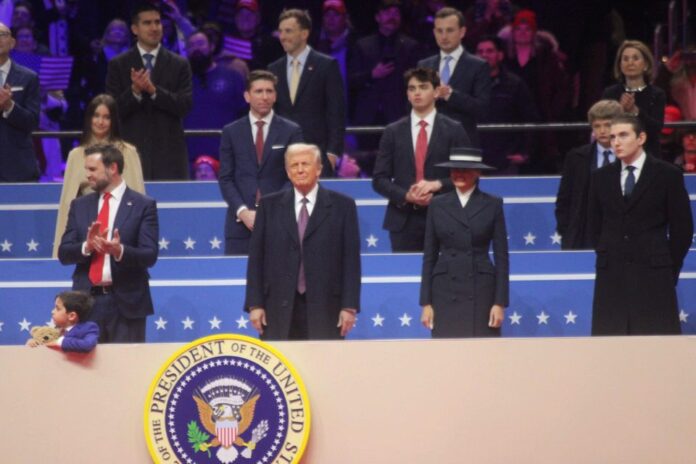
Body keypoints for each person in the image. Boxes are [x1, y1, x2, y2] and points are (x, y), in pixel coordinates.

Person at [588, 115, 693, 335]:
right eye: (613, 136)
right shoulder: (600, 177)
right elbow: (595, 225)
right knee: (611, 348)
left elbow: (682, 228)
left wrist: (666, 268)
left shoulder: (667, 174)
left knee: (656, 349)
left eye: (623, 135)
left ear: (641, 137)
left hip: (655, 275)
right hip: (612, 278)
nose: (616, 141)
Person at [245, 143, 361, 340]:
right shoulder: (268, 206)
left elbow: (351, 261)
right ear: (287, 171)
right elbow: (256, 259)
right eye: (294, 165)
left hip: (326, 306)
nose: (299, 170)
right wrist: (255, 305)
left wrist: (349, 306)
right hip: (277, 307)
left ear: (319, 169)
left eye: (305, 164)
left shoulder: (343, 206)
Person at [58, 143, 159, 343]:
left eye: (92, 169)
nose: (87, 175)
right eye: (86, 169)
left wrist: (119, 250)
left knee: (127, 371)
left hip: (127, 304)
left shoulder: (143, 205)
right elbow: (64, 253)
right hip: (86, 305)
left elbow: (149, 255)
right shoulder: (79, 205)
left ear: (112, 168)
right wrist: (86, 246)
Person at [372, 66, 470, 252]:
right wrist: (406, 196)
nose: (417, 93)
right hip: (403, 221)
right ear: (407, 95)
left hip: (446, 219)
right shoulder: (393, 132)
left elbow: (468, 176)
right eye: (412, 88)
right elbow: (379, 180)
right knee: (406, 278)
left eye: (423, 87)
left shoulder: (454, 130)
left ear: (436, 92)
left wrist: (437, 184)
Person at [420, 147, 508, 338]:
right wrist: (426, 303)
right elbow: (429, 256)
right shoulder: (437, 204)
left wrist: (499, 303)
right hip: (444, 290)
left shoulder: (492, 204)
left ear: (477, 172)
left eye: (465, 169)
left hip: (481, 290)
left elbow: (502, 258)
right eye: (455, 169)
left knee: (483, 357)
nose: (459, 174)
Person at [219, 70, 303, 255]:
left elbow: (296, 176)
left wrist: (268, 211)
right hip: (240, 225)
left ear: (275, 96)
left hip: (280, 221)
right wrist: (243, 212)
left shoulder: (291, 131)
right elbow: (226, 178)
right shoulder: (231, 132)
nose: (264, 97)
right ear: (247, 96)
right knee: (239, 281)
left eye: (269, 91)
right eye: (258, 91)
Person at [105, 3, 193, 180]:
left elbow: (184, 106)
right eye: (147, 23)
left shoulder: (179, 64)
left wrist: (154, 91)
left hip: (169, 158)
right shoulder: (118, 65)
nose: (154, 28)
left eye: (157, 22)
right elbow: (112, 111)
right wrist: (135, 91)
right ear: (135, 29)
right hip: (130, 155)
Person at [53, 94, 145, 258]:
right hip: (86, 232)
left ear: (113, 121)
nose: (100, 122)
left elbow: (139, 200)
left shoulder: (128, 153)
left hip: (121, 232)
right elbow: (67, 205)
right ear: (89, 118)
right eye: (96, 116)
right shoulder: (76, 155)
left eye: (106, 117)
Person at [268, 8, 345, 177]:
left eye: (288, 31)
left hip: (317, 154)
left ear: (304, 34)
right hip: (283, 157)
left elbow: (336, 112)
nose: (282, 37)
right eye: (280, 31)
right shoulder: (273, 69)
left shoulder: (326, 66)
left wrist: (333, 152)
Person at [348, 0, 420, 148]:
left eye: (396, 13)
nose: (392, 17)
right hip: (368, 117)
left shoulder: (410, 46)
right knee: (367, 163)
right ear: (377, 17)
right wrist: (372, 75)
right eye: (387, 13)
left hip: (398, 115)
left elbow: (417, 83)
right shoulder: (362, 45)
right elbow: (352, 80)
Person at [555, 99, 623, 250]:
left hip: (621, 234)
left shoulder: (630, 157)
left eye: (607, 125)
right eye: (597, 126)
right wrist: (566, 231)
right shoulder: (577, 158)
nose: (602, 131)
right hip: (583, 233)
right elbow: (564, 199)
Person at [418, 7, 491, 146]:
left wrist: (450, 94)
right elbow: (411, 106)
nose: (444, 36)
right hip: (429, 146)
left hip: (464, 144)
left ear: (462, 32)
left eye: (450, 30)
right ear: (434, 33)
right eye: (440, 31)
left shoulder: (478, 66)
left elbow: (482, 109)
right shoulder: (424, 65)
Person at [475, 35, 538, 173]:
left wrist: (524, 153)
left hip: (506, 160)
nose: (484, 55)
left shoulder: (515, 84)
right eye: (480, 52)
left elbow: (530, 119)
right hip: (474, 160)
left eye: (490, 51)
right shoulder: (466, 85)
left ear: (500, 55)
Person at [184, 30, 246, 165]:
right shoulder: (180, 81)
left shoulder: (232, 76)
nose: (196, 49)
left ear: (212, 47)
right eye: (191, 45)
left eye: (200, 43)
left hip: (226, 155)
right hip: (190, 157)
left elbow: (244, 115)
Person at [602, 40, 665, 160]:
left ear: (646, 64)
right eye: (625, 59)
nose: (630, 62)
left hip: (649, 156)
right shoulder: (610, 93)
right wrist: (620, 110)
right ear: (620, 65)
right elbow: (603, 127)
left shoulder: (657, 94)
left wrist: (635, 111)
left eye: (635, 58)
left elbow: (656, 129)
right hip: (616, 156)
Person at [0, 21, 40, 182]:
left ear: (12, 43)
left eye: (3, 35)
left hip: (17, 167)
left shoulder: (28, 77)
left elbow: (32, 121)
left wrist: (9, 106)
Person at [26, 290, 99, 353]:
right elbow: (47, 345)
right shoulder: (54, 332)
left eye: (57, 309)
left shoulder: (89, 328)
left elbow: (87, 345)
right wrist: (35, 344)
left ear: (72, 316)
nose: (52, 311)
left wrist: (59, 342)